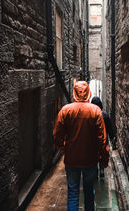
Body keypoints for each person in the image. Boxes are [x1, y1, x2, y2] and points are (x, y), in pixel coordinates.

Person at [53, 81, 109, 211]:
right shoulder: (95, 111)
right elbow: (102, 139)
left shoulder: (65, 110)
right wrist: (104, 159)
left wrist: (63, 148)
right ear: (88, 93)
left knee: (73, 193)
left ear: (74, 93)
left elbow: (57, 135)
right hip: (90, 159)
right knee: (89, 193)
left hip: (72, 159)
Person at [91, 96, 115, 178]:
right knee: (102, 154)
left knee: (94, 155)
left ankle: (95, 171)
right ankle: (101, 169)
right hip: (103, 139)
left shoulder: (90, 115)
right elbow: (110, 128)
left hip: (93, 140)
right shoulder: (104, 115)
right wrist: (112, 137)